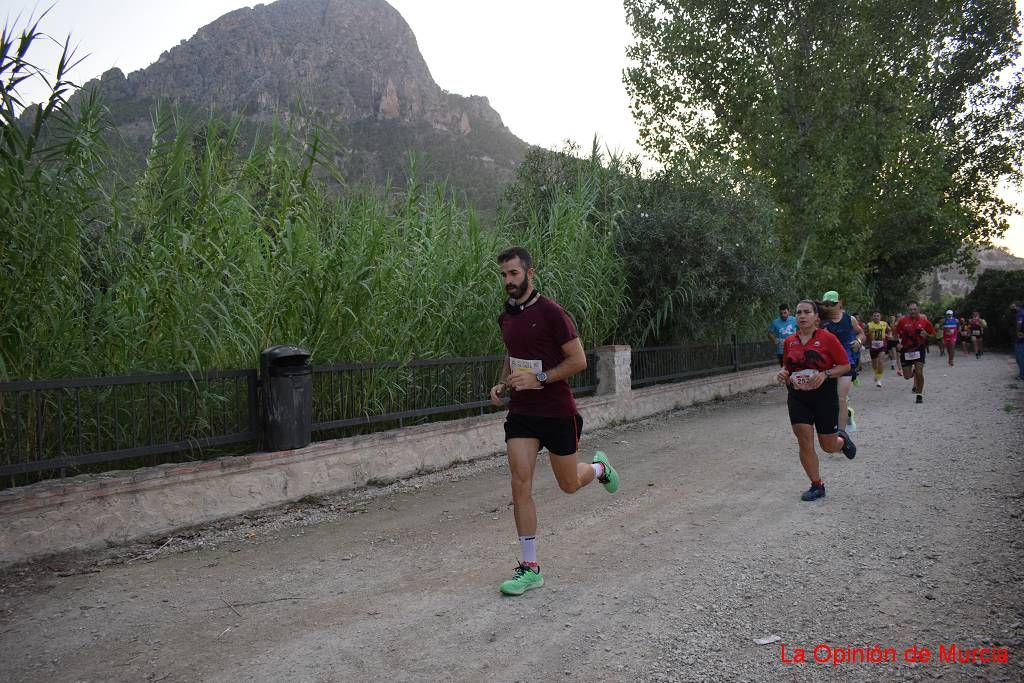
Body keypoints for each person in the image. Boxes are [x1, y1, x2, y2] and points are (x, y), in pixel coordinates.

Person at [489, 246, 619, 596]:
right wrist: (504, 382)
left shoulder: (552, 313)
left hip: (557, 412)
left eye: (514, 274)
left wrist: (541, 379)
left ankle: (599, 469)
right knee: (520, 484)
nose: (508, 281)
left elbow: (578, 360)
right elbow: (512, 356)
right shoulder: (507, 318)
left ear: (530, 274)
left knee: (569, 484)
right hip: (522, 415)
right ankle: (529, 567)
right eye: (503, 275)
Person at [776, 299, 857, 502]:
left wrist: (826, 374)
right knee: (804, 439)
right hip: (798, 396)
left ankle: (842, 440)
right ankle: (817, 485)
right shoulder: (790, 341)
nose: (802, 316)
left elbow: (845, 365)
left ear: (816, 317)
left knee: (828, 446)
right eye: (799, 312)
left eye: (806, 312)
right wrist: (783, 373)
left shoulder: (827, 339)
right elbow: (789, 367)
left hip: (824, 395)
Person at [819, 290, 865, 432]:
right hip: (828, 364)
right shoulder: (821, 322)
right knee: (831, 400)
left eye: (832, 304)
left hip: (846, 362)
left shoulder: (849, 319)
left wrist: (858, 341)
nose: (828, 307)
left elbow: (861, 333)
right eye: (825, 304)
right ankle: (847, 412)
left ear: (840, 303)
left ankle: (842, 434)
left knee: (840, 398)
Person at [894, 301, 936, 403]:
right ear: (908, 310)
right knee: (907, 376)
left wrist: (927, 335)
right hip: (906, 350)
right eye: (910, 310)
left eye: (914, 309)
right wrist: (897, 343)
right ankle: (913, 372)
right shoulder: (902, 321)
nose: (912, 311)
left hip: (919, 349)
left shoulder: (924, 321)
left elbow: (933, 335)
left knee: (919, 372)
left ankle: (919, 395)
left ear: (918, 309)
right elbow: (895, 333)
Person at [865, 310, 890, 387]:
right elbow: (864, 334)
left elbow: (889, 330)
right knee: (874, 365)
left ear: (880, 317)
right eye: (874, 316)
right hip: (873, 347)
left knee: (880, 361)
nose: (876, 317)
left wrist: (888, 335)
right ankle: (876, 373)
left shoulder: (884, 324)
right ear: (872, 317)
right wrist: (869, 332)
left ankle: (879, 380)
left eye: (877, 316)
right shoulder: (869, 325)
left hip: (882, 346)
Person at [1013, 301, 1024, 380]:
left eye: (1013, 306)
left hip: (1020, 337)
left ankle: (1022, 375)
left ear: (1017, 306)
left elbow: (1019, 323)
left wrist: (1018, 332)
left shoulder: (1020, 313)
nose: (1012, 308)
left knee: (1019, 356)